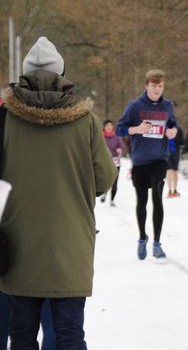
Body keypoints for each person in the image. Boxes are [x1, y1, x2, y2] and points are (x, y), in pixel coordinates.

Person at [0, 36, 116, 348]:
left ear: (24, 74)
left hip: (17, 249)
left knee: (21, 335)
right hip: (70, 246)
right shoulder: (86, 121)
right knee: (69, 335)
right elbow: (105, 178)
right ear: (61, 74)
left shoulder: (5, 120)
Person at [116, 69, 178, 260]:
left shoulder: (167, 106)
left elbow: (174, 125)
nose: (157, 90)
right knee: (141, 200)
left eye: (160, 86)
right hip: (140, 160)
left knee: (158, 198)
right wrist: (136, 129)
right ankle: (142, 237)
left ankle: (157, 243)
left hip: (160, 159)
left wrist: (173, 132)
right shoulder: (135, 106)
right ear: (146, 86)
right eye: (154, 86)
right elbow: (120, 129)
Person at [101, 119, 125, 206]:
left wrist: (120, 149)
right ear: (104, 127)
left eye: (110, 125)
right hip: (105, 161)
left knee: (115, 181)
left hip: (115, 162)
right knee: (106, 179)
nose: (109, 127)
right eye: (107, 126)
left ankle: (112, 200)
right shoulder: (101, 137)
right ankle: (104, 193)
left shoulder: (117, 137)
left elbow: (122, 146)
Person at [166, 125, 185, 198]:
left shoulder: (164, 127)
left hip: (166, 152)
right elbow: (182, 142)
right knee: (174, 171)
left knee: (169, 171)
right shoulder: (178, 128)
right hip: (175, 152)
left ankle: (170, 190)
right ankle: (174, 190)